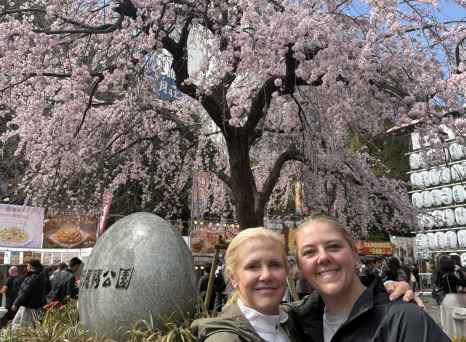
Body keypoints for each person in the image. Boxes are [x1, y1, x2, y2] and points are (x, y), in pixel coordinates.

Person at [192, 227, 418, 342]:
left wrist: (384, 289)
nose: (266, 275)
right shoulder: (225, 339)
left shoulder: (292, 320)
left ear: (287, 271)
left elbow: (335, 296)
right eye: (252, 267)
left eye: (275, 265)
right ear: (233, 277)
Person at [290, 215, 449, 342]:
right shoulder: (295, 325)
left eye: (334, 247)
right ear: (300, 266)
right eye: (309, 252)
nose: (323, 257)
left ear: (354, 255)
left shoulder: (402, 319)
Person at [11, 259, 48, 329]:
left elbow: (25, 291)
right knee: (18, 324)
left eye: (27, 265)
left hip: (28, 306)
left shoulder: (33, 277)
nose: (26, 267)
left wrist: (16, 303)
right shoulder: (42, 276)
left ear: (31, 266)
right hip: (34, 306)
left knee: (24, 327)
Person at [435, 255, 466, 338]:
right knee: (456, 319)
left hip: (445, 299)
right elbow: (463, 283)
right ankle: (457, 337)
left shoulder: (441, 276)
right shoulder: (451, 276)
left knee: (446, 320)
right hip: (453, 298)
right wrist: (460, 271)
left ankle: (448, 336)